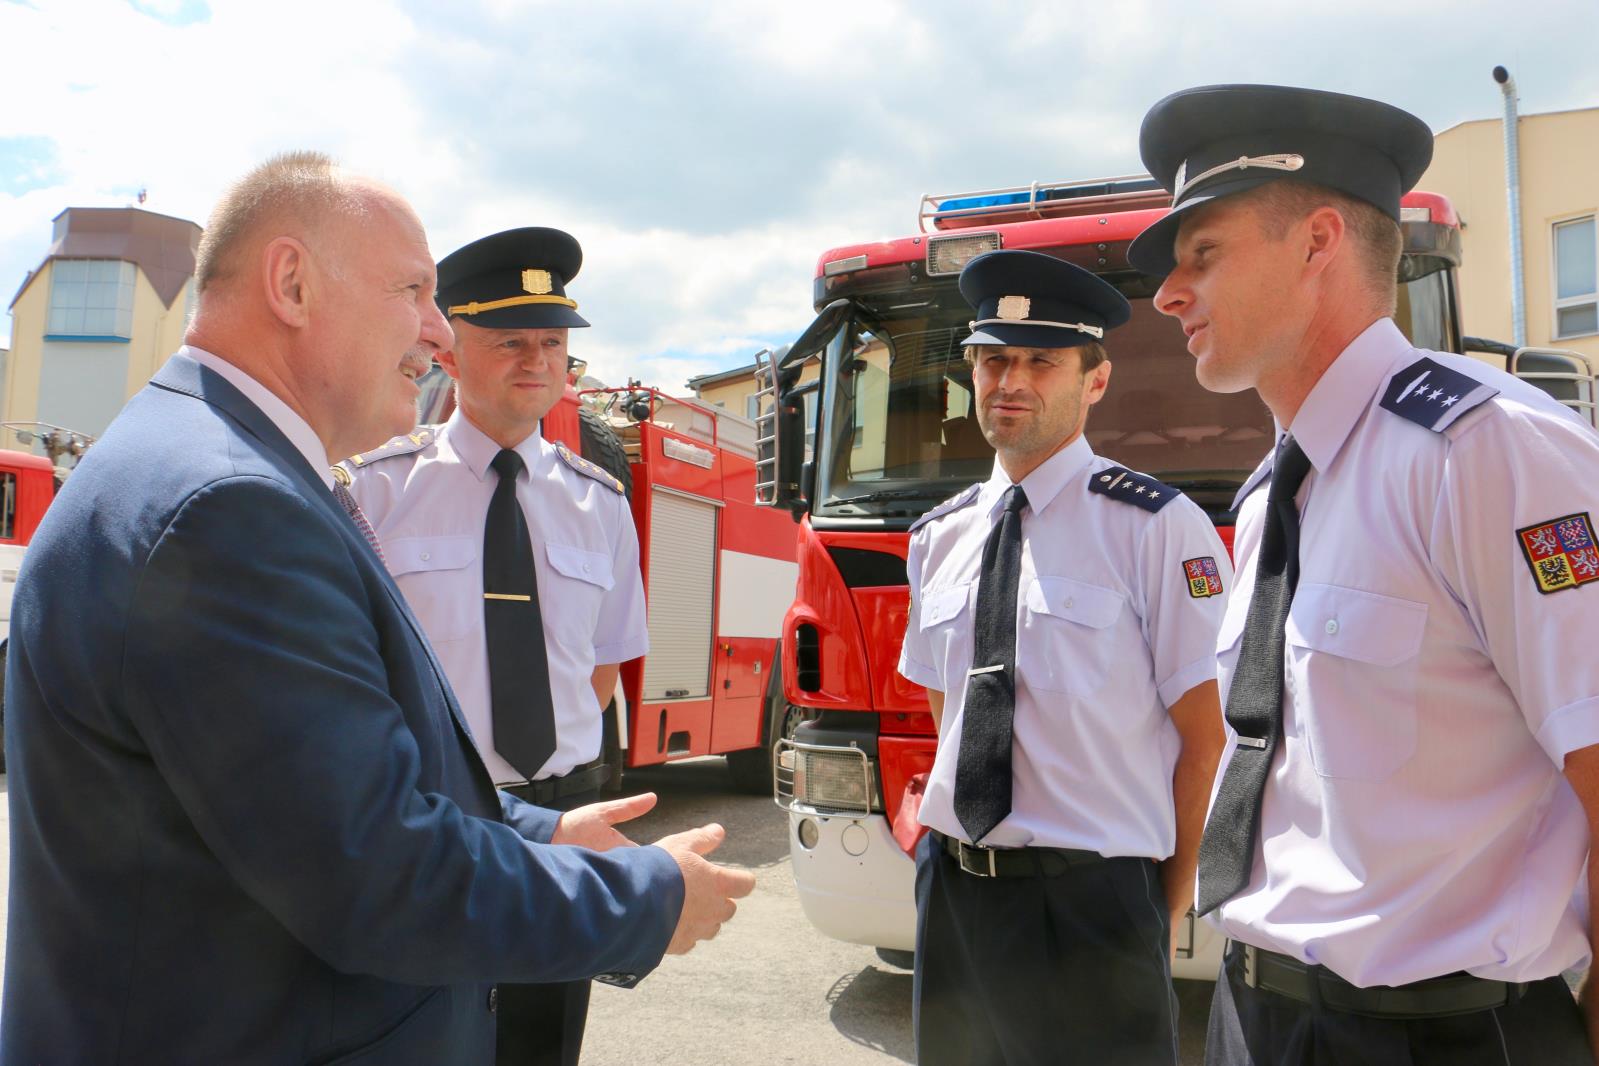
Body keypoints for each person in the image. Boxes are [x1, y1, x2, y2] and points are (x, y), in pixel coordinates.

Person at [0, 151, 754, 1066]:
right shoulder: (230, 508)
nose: (437, 331)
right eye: (413, 291)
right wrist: (649, 897)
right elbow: (372, 868)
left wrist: (546, 830)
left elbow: (328, 780)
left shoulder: (216, 465)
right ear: (291, 284)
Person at [1133, 83, 1599, 1065]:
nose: (1169, 294)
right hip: (1254, 1012)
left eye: (1201, 254)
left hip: (1445, 1033)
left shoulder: (1489, 451)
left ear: (1317, 242)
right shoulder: (1270, 497)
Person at [897, 248, 1230, 1065]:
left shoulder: (1155, 526)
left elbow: (1209, 733)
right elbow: (949, 715)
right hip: (953, 892)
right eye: (993, 359)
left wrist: (1167, 899)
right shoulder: (937, 537)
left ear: (1095, 381)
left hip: (1095, 902)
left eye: (1041, 361)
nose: (1010, 381)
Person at [341, 226, 640, 1066]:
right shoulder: (377, 489)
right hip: (432, 821)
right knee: (420, 1038)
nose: (535, 360)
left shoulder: (599, 505)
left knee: (542, 1048)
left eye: (552, 342)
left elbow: (603, 672)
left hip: (558, 822)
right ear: (454, 345)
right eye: (509, 340)